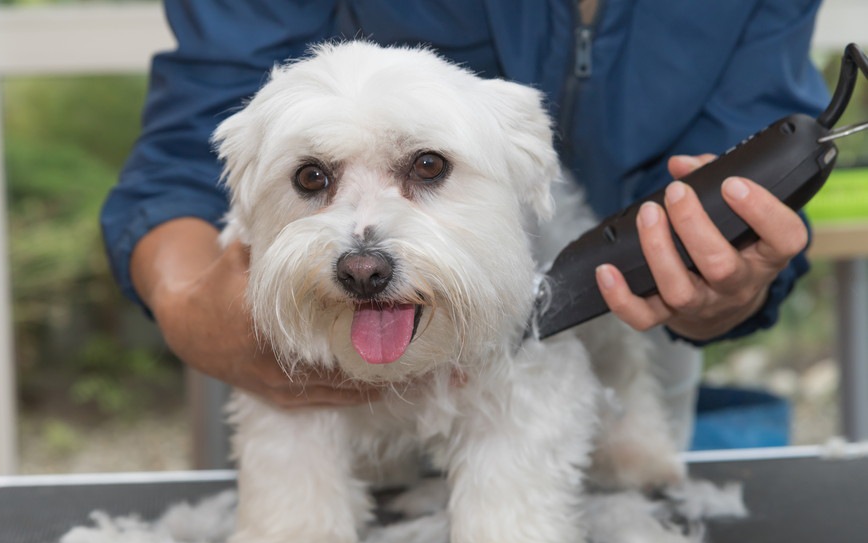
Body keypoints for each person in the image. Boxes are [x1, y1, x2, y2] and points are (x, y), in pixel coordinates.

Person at [101, 1, 829, 428]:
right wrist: (185, 300)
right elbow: (188, 148)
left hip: (626, 321)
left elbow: (749, 158)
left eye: (425, 167)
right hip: (310, 370)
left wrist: (730, 285)